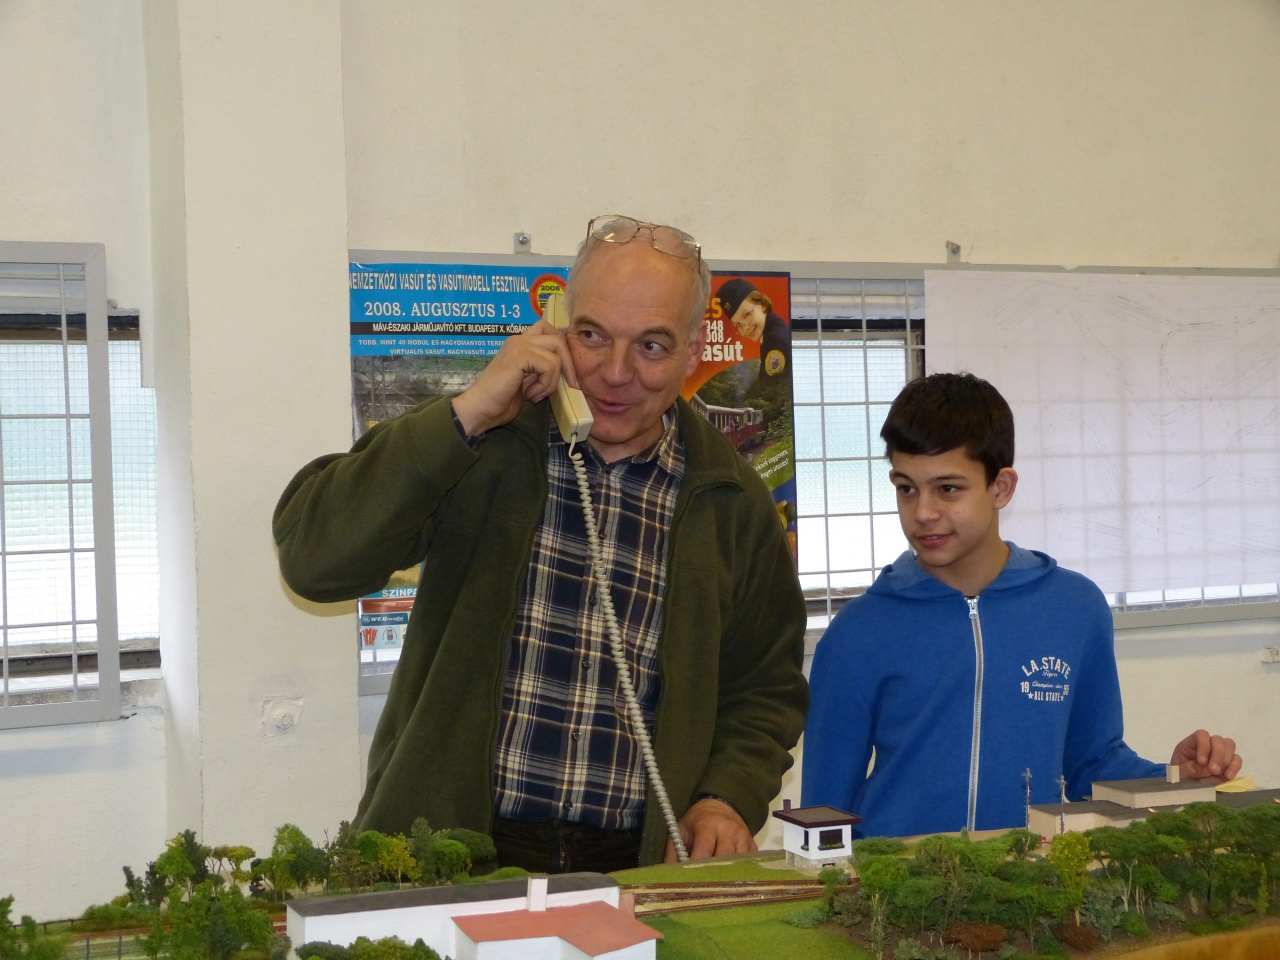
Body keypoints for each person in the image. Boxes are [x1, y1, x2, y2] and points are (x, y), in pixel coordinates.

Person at [274, 214, 807, 871]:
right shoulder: (484, 442)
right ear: (556, 328)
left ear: (694, 352)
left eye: (651, 346)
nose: (614, 372)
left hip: (634, 863)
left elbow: (766, 688)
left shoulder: (732, 500)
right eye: (593, 335)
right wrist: (467, 413)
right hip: (455, 851)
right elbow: (314, 558)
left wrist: (726, 797)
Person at [801, 372, 1241, 839]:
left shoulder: (1074, 609)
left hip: (1032, 874)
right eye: (906, 487)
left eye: (948, 488)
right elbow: (825, 809)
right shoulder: (859, 632)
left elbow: (1092, 763)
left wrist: (1171, 779)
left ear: (1001, 488)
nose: (923, 512)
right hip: (899, 878)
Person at [717, 277, 790, 382]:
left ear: (762, 304)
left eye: (746, 315)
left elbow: (772, 388)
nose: (745, 328)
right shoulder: (771, 332)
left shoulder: (775, 340)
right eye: (738, 324)